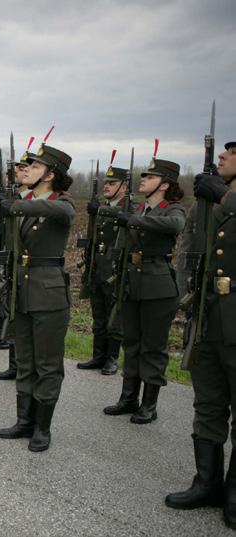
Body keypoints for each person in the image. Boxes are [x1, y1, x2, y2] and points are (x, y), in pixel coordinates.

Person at [166, 141, 236, 525]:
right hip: (207, 316)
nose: (222, 157)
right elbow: (187, 253)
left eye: (233, 152)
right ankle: (207, 482)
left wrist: (226, 197)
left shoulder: (222, 199)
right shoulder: (204, 206)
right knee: (208, 403)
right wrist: (184, 302)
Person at [0, 143, 75, 452]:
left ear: (50, 176)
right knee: (25, 360)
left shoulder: (61, 203)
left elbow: (61, 211)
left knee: (48, 364)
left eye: (35, 167)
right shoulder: (27, 202)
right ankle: (24, 421)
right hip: (23, 291)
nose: (26, 170)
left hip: (49, 293)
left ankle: (43, 426)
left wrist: (16, 205)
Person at [103, 157, 186, 424]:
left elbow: (175, 226)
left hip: (158, 286)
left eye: (149, 177)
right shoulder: (140, 208)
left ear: (164, 184)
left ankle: (149, 404)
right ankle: (128, 398)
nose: (143, 180)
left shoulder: (171, 209)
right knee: (132, 343)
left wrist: (135, 221)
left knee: (153, 347)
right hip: (132, 283)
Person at [76, 163, 128, 376]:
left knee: (114, 317)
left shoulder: (127, 206)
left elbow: (124, 215)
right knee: (98, 314)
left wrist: (101, 210)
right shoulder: (103, 206)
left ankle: (112, 359)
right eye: (105, 183)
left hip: (115, 270)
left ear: (124, 187)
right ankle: (98, 356)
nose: (107, 186)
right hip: (97, 267)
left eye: (112, 183)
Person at [0, 155, 32, 380]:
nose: (19, 173)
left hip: (29, 265)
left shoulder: (37, 200)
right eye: (18, 170)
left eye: (25, 169)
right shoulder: (13, 195)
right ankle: (14, 364)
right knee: (12, 307)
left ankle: (24, 366)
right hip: (11, 258)